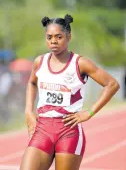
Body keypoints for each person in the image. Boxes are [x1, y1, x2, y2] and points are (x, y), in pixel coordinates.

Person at [20, 14, 120, 170]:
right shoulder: (40, 61)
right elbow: (32, 82)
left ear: (69, 37)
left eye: (59, 37)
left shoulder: (80, 63)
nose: (53, 41)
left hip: (68, 131)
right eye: (49, 37)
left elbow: (112, 84)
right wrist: (28, 111)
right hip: (42, 129)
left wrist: (90, 113)